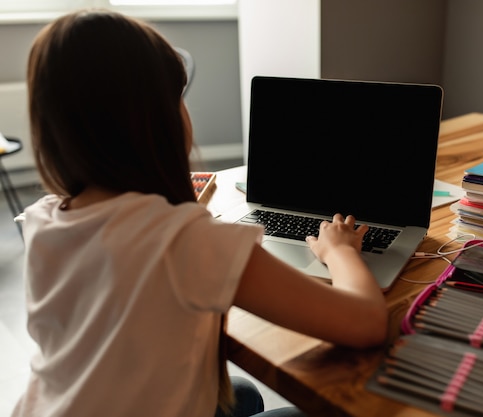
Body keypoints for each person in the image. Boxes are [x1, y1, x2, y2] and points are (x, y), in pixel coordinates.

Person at [12, 8, 388, 417]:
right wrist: (338, 251)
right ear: (157, 122)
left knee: (241, 395)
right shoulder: (185, 242)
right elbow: (366, 323)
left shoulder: (42, 219)